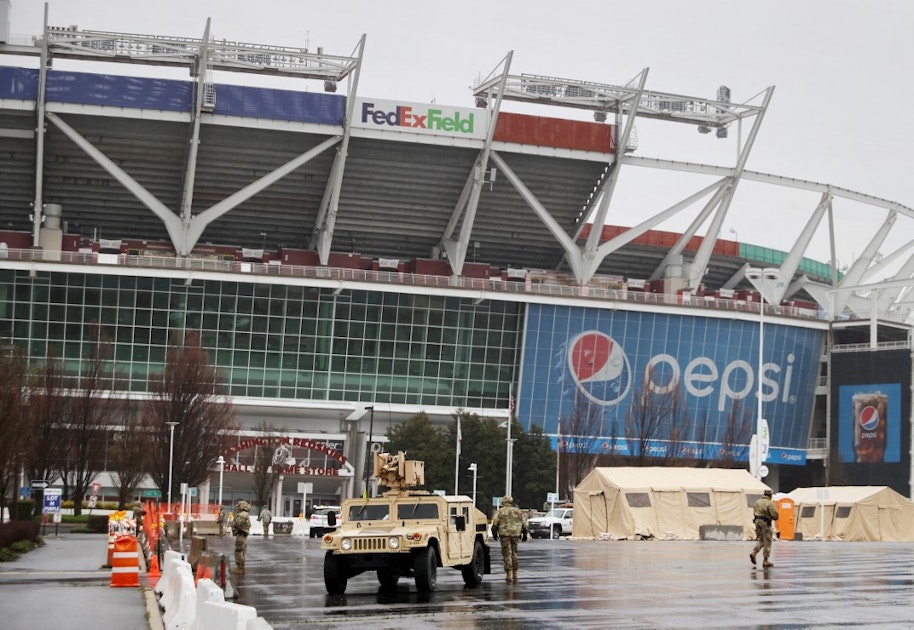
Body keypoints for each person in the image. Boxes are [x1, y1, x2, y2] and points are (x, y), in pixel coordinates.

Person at [490, 495, 528, 583]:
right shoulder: (518, 511)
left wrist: (494, 533)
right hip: (516, 534)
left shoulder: (500, 511)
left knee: (507, 554)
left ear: (503, 502)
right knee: (514, 553)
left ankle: (509, 574)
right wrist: (525, 533)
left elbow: (495, 523)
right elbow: (524, 523)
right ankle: (515, 573)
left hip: (505, 534)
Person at [750, 489, 779, 568]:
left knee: (761, 539)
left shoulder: (757, 502)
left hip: (757, 521)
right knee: (768, 540)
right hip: (765, 522)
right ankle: (765, 560)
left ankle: (754, 552)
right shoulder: (770, 503)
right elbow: (775, 514)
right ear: (770, 496)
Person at [232, 500, 252, 573]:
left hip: (240, 534)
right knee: (242, 550)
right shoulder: (245, 514)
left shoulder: (242, 514)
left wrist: (235, 527)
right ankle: (241, 567)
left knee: (239, 550)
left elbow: (238, 524)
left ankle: (239, 568)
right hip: (243, 534)